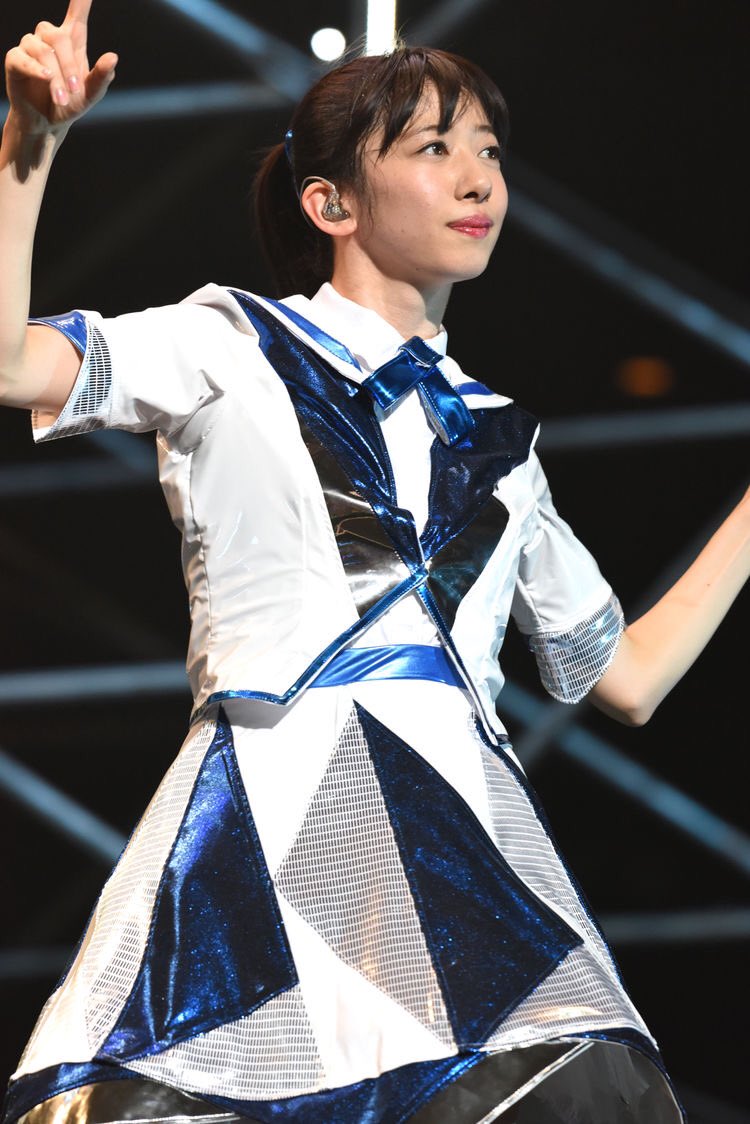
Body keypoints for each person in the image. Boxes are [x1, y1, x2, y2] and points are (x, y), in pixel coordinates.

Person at [1, 2, 748, 1122]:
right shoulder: (230, 343)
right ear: (332, 204)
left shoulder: (503, 441)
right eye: (435, 147)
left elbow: (627, 677)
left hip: (464, 852)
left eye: (488, 149)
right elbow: (12, 364)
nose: (478, 177)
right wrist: (32, 143)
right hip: (265, 825)